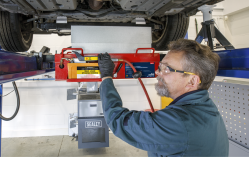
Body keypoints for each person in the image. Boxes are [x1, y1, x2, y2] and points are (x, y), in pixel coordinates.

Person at [97, 39, 229, 157]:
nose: (157, 72)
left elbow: (118, 121)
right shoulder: (207, 109)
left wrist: (106, 77)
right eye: (161, 66)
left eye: (167, 69)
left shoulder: (180, 122)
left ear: (192, 81)